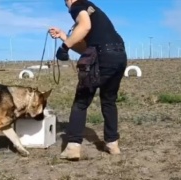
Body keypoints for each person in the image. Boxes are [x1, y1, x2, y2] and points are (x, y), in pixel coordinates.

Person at [48, 0, 128, 160]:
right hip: (119, 55)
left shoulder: (78, 5)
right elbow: (86, 48)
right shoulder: (94, 10)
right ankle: (112, 144)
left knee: (81, 102)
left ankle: (72, 147)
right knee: (108, 101)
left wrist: (64, 48)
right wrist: (65, 37)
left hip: (102, 57)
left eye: (66, 5)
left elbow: (84, 27)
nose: (68, 9)